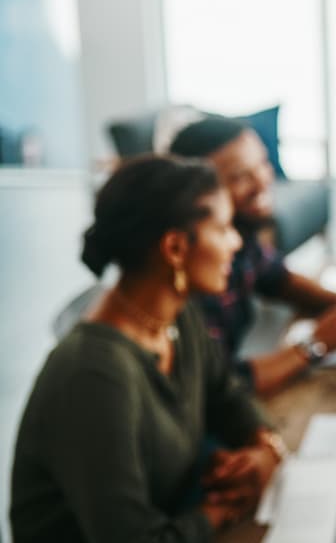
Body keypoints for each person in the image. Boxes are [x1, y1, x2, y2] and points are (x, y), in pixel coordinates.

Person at [10, 156, 284, 542]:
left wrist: (264, 449)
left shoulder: (178, 317)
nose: (236, 242)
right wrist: (220, 511)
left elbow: (226, 395)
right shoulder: (95, 373)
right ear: (174, 248)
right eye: (223, 228)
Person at [169, 117, 336, 394]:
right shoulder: (194, 275)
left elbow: (277, 278)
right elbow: (216, 388)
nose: (263, 181)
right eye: (240, 176)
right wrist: (312, 346)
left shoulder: (241, 235)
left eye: (262, 164)